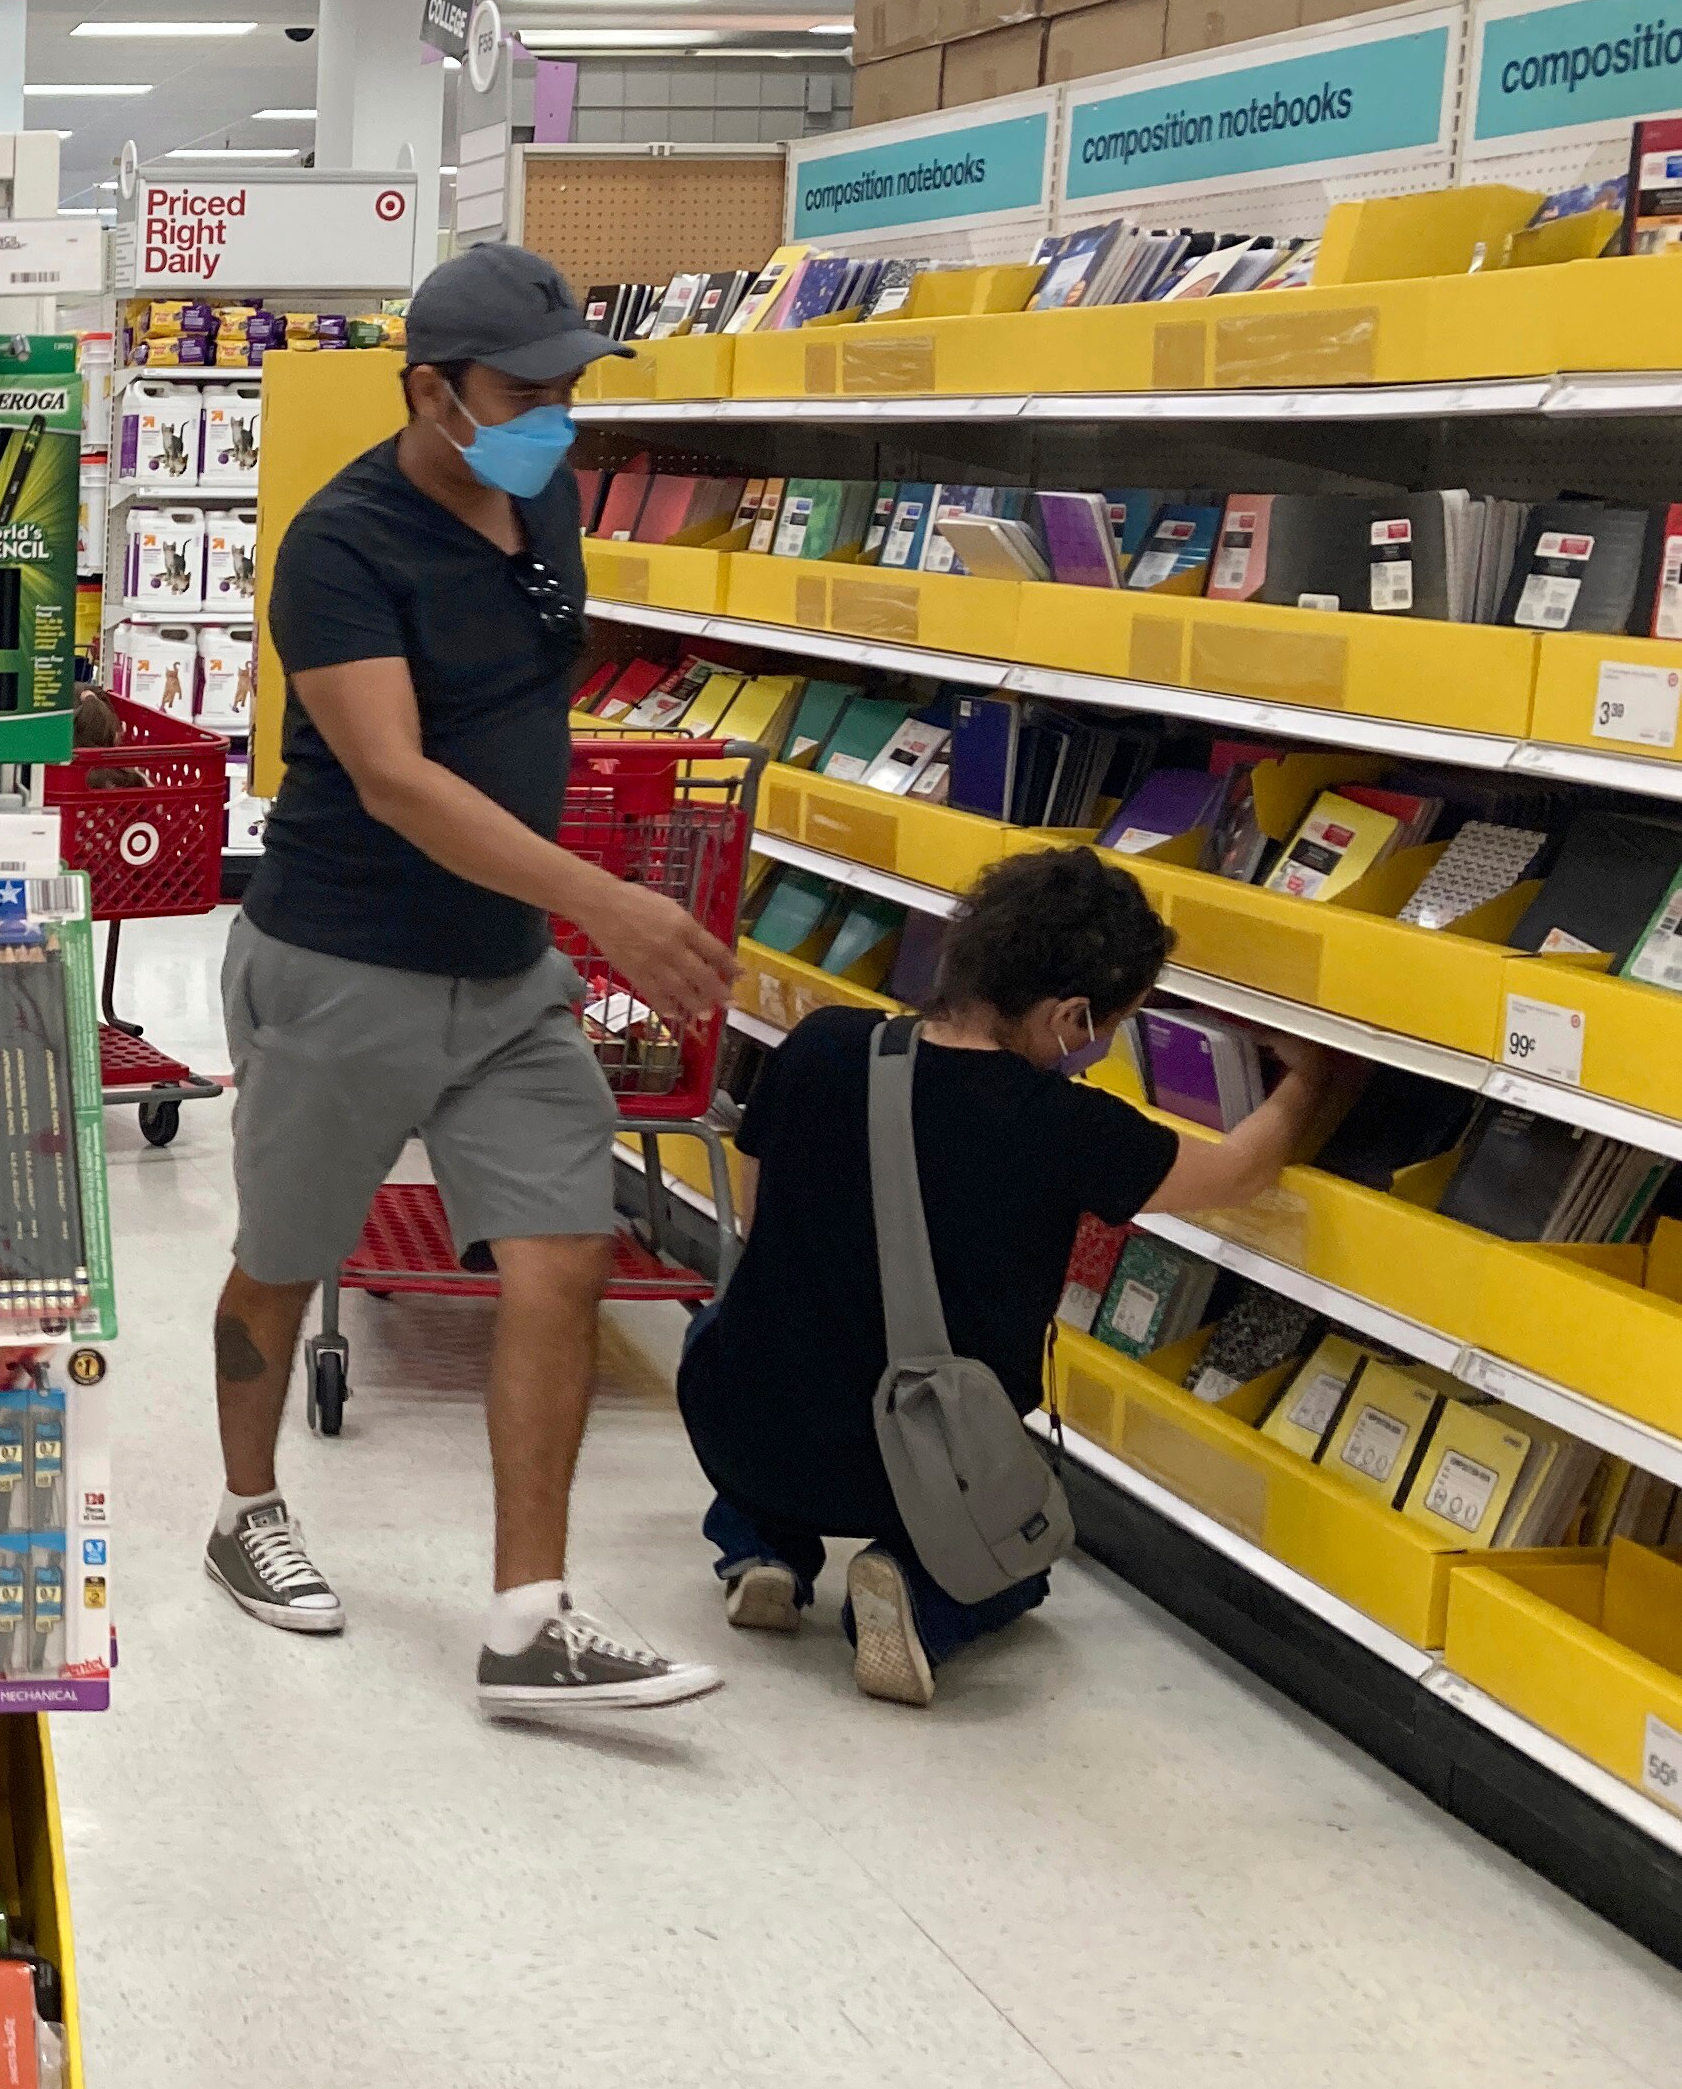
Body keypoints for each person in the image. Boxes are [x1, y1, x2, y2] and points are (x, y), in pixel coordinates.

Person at [206, 240, 736, 1717]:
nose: (556, 415)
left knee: (561, 1259)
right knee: (286, 1253)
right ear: (431, 391)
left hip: (508, 976)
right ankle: (247, 1514)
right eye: (525, 391)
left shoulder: (545, 495)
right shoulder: (341, 546)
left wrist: (565, 917)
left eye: (572, 387)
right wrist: (605, 905)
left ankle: (529, 1616)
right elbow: (391, 778)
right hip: (342, 963)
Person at [679, 844, 1340, 1706]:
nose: (1100, 1054)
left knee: (725, 1330)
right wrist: (1317, 1079)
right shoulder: (1068, 1125)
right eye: (1108, 1027)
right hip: (911, 1467)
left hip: (751, 1424)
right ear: (1068, 1016)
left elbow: (756, 1224)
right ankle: (916, 1594)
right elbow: (1238, 1175)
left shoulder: (824, 1044)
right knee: (1022, 1558)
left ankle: (760, 1547)